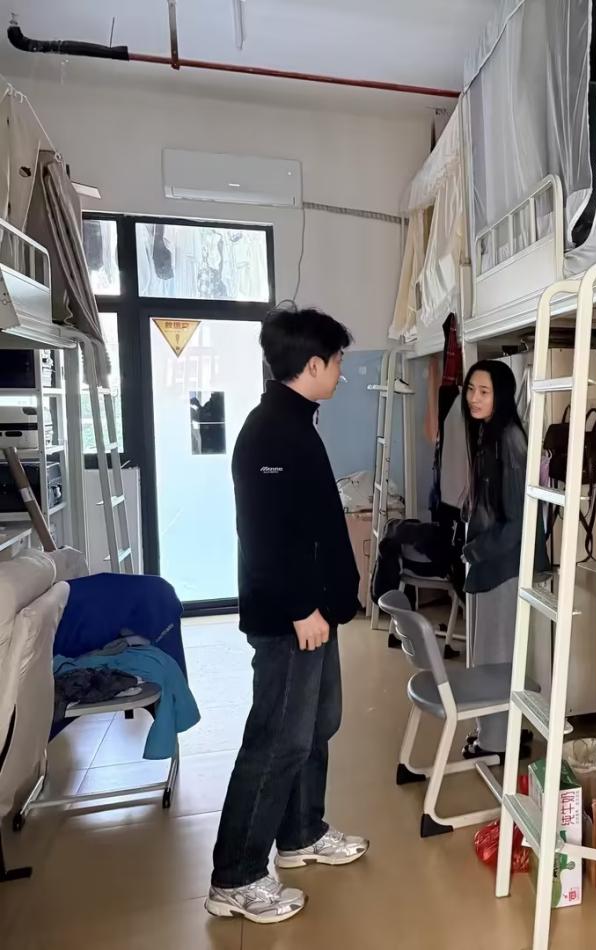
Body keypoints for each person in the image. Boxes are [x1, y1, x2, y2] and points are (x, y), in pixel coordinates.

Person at [206, 304, 367, 924]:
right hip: (291, 619)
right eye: (338, 362)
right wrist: (302, 608)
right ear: (313, 365)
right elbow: (264, 537)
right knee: (276, 740)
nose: (341, 372)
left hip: (316, 613)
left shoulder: (295, 422)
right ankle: (236, 876)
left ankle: (301, 833)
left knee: (317, 724)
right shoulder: (270, 431)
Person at [459, 360, 547, 760]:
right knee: (494, 652)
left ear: (502, 396)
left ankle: (494, 743)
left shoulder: (509, 440)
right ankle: (503, 731)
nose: (473, 399)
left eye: (484, 391)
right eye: (470, 389)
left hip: (502, 564)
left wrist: (476, 550)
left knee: (495, 656)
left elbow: (518, 522)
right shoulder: (489, 434)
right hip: (489, 560)